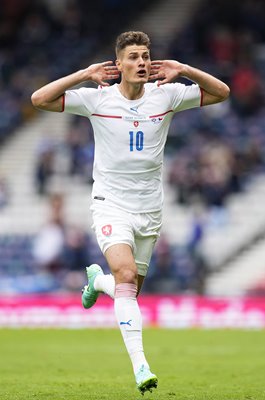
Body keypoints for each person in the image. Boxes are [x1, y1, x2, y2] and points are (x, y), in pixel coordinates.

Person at [31, 31, 230, 394]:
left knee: (127, 290)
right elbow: (39, 99)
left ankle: (96, 282)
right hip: (111, 204)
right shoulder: (97, 99)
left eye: (145, 55)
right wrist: (83, 74)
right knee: (124, 274)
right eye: (134, 56)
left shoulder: (166, 95)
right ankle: (141, 367)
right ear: (119, 63)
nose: (141, 62)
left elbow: (222, 92)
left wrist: (185, 68)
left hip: (149, 208)